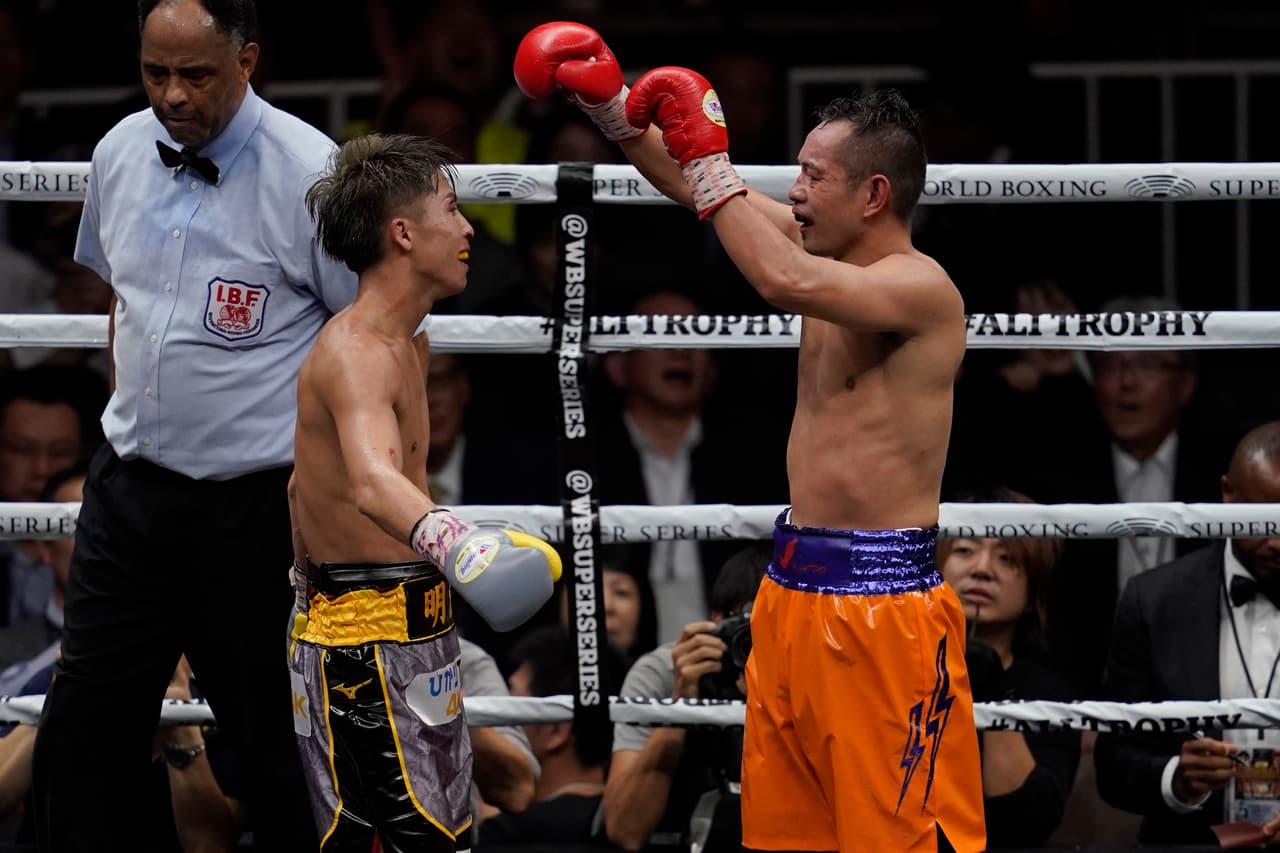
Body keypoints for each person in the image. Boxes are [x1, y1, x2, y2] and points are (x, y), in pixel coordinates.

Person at [515, 23, 985, 852]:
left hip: (882, 616)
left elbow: (780, 279)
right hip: (789, 597)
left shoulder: (918, 289)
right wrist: (616, 114)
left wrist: (707, 161)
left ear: (873, 195)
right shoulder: (820, 246)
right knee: (782, 835)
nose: (794, 191)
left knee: (891, 837)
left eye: (812, 176)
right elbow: (704, 192)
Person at [29, 2, 360, 849]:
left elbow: (369, 338)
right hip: (129, 492)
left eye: (197, 74)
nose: (172, 94)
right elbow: (124, 308)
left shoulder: (311, 173)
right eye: (154, 72)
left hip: (253, 507)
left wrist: (339, 488)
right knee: (84, 728)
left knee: (272, 741)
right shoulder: (117, 151)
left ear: (248, 60)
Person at [290, 131, 560, 850]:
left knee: (447, 832)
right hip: (363, 642)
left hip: (412, 623)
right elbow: (374, 483)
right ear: (403, 233)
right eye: (452, 209)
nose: (470, 228)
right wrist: (462, 546)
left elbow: (299, 489)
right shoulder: (355, 352)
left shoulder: (411, 339)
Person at [1094, 420, 1280, 846]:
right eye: (1264, 519)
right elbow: (1113, 763)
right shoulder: (1155, 599)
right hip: (1189, 841)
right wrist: (1175, 779)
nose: (1277, 542)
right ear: (1229, 496)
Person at [603, 543, 771, 853]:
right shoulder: (665, 671)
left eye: (772, 627)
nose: (757, 642)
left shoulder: (816, 676)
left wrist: (771, 707)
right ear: (717, 621)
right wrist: (679, 707)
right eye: (748, 628)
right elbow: (625, 830)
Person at [936, 488, 1080, 848]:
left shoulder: (1051, 695)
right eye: (965, 551)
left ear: (1034, 594)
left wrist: (993, 693)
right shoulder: (887, 672)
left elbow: (1028, 821)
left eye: (1006, 559)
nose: (982, 570)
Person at [479, 625, 626, 848]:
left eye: (510, 700)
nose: (499, 708)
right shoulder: (631, 824)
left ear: (555, 731)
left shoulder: (510, 836)